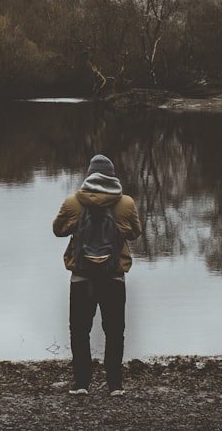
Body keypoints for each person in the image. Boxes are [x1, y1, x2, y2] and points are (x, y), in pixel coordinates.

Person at [52, 154, 142, 396]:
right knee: (114, 331)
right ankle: (115, 386)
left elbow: (58, 230)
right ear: (112, 176)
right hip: (113, 277)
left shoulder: (73, 202)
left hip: (82, 277)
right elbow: (135, 233)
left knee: (79, 331)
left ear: (89, 175)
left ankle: (81, 384)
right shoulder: (126, 203)